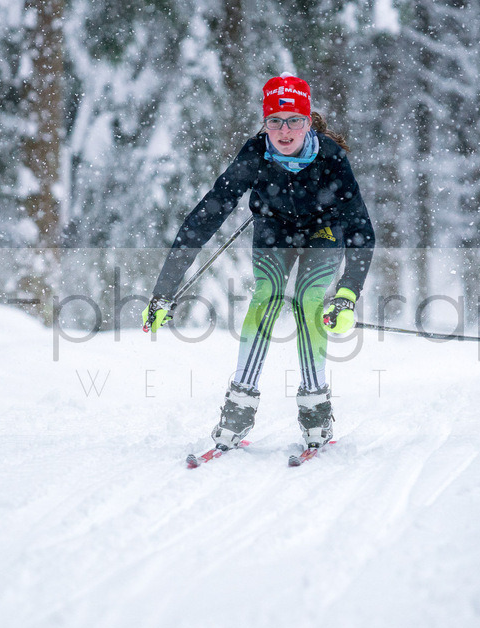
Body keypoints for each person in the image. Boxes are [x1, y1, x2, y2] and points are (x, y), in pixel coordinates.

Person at [143, 72, 376, 450]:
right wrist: (163, 291)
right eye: (274, 121)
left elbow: (361, 229)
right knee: (266, 294)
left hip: (324, 232)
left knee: (308, 300)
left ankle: (315, 407)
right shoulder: (255, 155)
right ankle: (239, 405)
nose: (284, 131)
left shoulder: (331, 157)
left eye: (294, 120)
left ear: (308, 121)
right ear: (264, 122)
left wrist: (347, 293)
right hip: (274, 231)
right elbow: (204, 217)